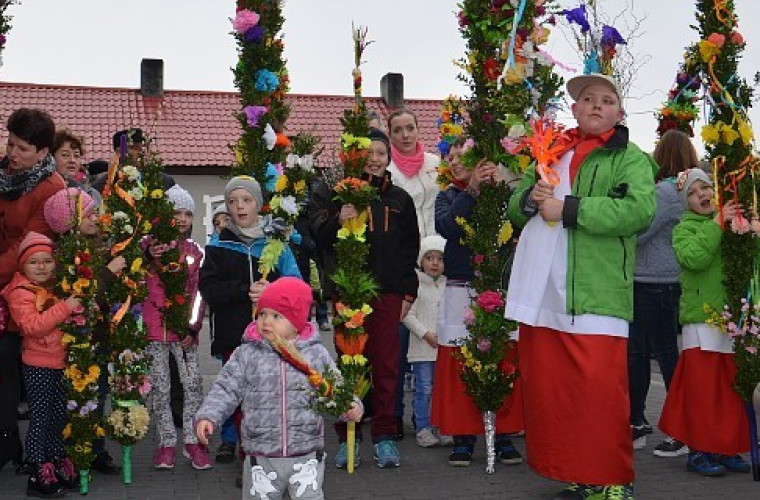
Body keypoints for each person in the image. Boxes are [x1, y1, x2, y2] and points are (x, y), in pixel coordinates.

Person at [506, 73, 656, 500]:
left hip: (596, 290)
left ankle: (612, 480)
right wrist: (530, 200)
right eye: (587, 99)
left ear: (619, 112)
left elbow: (637, 211)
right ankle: (580, 475)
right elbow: (517, 212)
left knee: (599, 392)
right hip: (543, 291)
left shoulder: (630, 157)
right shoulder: (554, 152)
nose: (596, 106)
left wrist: (566, 208)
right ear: (573, 109)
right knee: (560, 392)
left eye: (606, 100)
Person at [309, 128, 419, 468]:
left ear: (389, 159)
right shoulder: (339, 194)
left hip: (387, 294)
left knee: (386, 366)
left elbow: (408, 249)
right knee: (349, 365)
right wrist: (338, 218)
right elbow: (319, 240)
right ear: (354, 157)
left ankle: (384, 436)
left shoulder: (400, 199)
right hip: (349, 292)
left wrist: (408, 291)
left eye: (381, 154)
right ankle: (348, 436)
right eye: (368, 153)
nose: (374, 159)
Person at [195, 277, 362, 500]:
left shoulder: (314, 354)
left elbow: (335, 387)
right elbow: (225, 387)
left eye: (276, 316)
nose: (266, 321)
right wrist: (209, 415)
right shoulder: (248, 353)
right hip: (261, 455)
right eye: (262, 313)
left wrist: (350, 406)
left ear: (297, 321)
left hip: (306, 454)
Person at [199, 176, 301, 482]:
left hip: (273, 336)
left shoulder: (276, 244)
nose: (239, 206)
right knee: (242, 398)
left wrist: (272, 293)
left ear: (258, 203)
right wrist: (244, 289)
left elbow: (297, 285)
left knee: (270, 397)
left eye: (246, 200)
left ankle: (277, 457)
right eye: (232, 201)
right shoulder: (218, 245)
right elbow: (208, 288)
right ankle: (251, 462)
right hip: (235, 335)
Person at [431, 141, 524, 467]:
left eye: (461, 157)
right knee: (461, 362)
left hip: (498, 286)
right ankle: (463, 437)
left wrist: (500, 187)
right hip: (461, 288)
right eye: (449, 158)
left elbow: (520, 223)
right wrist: (469, 192)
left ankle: (504, 434)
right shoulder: (446, 196)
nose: (454, 163)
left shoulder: (501, 195)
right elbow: (447, 228)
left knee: (502, 358)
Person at [658, 168, 752, 476]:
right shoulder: (685, 229)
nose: (704, 195)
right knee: (702, 392)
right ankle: (699, 450)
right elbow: (694, 258)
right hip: (701, 320)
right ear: (686, 202)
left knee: (728, 390)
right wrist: (716, 224)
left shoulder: (729, 225)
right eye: (695, 192)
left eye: (707, 188)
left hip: (732, 320)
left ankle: (725, 447)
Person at [0, 108, 66, 473]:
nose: (12, 153)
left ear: (42, 152)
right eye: (10, 143)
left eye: (23, 148)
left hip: (25, 284)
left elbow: (28, 246)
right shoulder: (3, 173)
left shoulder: (51, 189)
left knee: (11, 365)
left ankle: (18, 444)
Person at [43, 186, 124, 475]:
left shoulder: (96, 247)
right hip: (76, 341)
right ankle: (75, 453)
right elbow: (84, 297)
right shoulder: (65, 256)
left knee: (98, 393)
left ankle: (97, 449)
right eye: (89, 213)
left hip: (98, 336)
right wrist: (109, 272)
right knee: (78, 397)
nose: (96, 218)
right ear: (71, 221)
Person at [1, 232, 82, 497]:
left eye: (47, 261)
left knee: (59, 417)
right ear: (22, 265)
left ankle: (56, 459)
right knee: (40, 419)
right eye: (34, 262)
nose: (41, 267)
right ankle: (37, 468)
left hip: (60, 364)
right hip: (38, 365)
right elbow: (32, 326)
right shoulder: (20, 293)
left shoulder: (56, 288)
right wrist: (66, 308)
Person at [628, 129, 693, 457]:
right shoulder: (682, 190)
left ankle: (680, 429)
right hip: (659, 280)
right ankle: (637, 422)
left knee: (657, 355)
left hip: (654, 280)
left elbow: (638, 232)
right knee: (646, 354)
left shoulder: (666, 192)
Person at [143, 185, 211, 470]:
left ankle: (193, 443)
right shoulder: (148, 246)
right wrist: (148, 255)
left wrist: (192, 328)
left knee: (192, 385)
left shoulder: (195, 252)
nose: (182, 219)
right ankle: (166, 444)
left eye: (188, 213)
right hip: (154, 331)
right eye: (176, 213)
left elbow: (198, 293)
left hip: (183, 333)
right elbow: (135, 274)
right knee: (160, 388)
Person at [385, 108, 441, 440]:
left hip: (436, 259)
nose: (405, 135)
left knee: (432, 341)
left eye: (410, 128)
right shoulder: (387, 171)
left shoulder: (436, 165)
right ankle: (395, 416)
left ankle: (435, 417)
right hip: (404, 262)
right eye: (398, 130)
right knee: (400, 339)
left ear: (419, 130)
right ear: (390, 135)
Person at [402, 235, 446, 448]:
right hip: (422, 349)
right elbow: (407, 315)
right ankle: (423, 427)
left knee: (442, 389)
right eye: (429, 258)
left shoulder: (448, 285)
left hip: (444, 348)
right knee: (424, 388)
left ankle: (443, 426)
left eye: (439, 258)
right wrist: (425, 334)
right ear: (421, 261)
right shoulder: (416, 284)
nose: (435, 263)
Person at [91, 128, 175, 194]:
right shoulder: (103, 184)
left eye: (144, 147)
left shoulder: (164, 181)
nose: (142, 152)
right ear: (119, 152)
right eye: (135, 148)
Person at [51, 128, 102, 207]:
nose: (72, 160)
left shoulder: (94, 193)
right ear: (52, 158)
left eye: (76, 155)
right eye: (65, 155)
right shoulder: (47, 190)